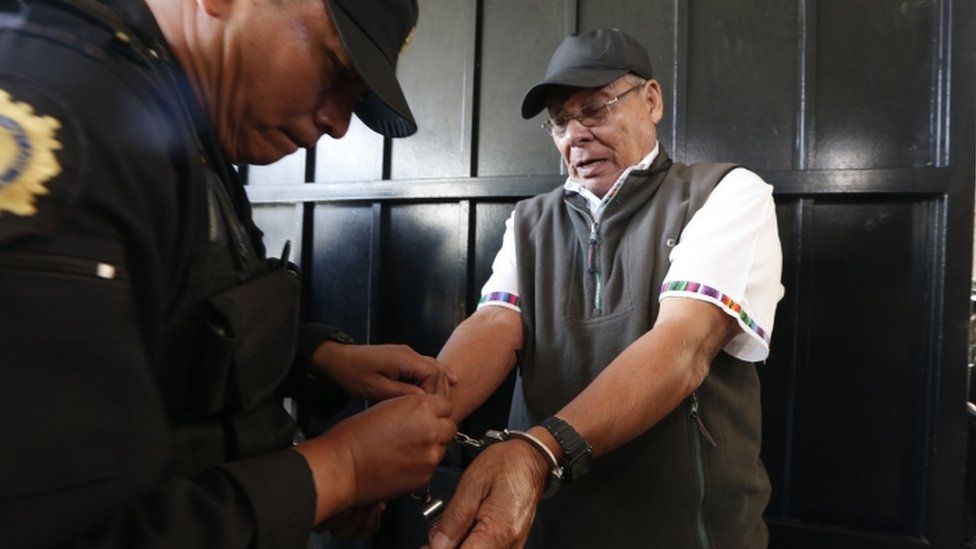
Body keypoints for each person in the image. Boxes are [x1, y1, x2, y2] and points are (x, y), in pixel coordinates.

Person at [0, 0, 458, 547]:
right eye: (336, 70)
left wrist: (318, 356)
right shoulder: (70, 115)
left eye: (355, 98)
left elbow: (173, 310)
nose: (337, 123)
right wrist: (340, 470)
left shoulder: (181, 120)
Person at [426, 28, 784, 548]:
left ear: (652, 101)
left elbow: (683, 344)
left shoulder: (724, 194)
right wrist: (417, 422)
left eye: (595, 110)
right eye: (560, 122)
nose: (575, 135)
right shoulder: (530, 222)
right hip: (546, 526)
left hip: (687, 533)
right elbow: (495, 323)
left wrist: (539, 451)